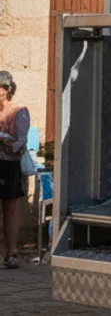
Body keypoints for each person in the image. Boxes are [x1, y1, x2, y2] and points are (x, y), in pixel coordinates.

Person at [0, 71, 28, 269]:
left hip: (9, 164)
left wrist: (6, 141)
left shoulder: (19, 111)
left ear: (8, 90)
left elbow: (21, 142)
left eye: (1, 87)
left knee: (10, 208)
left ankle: (11, 252)